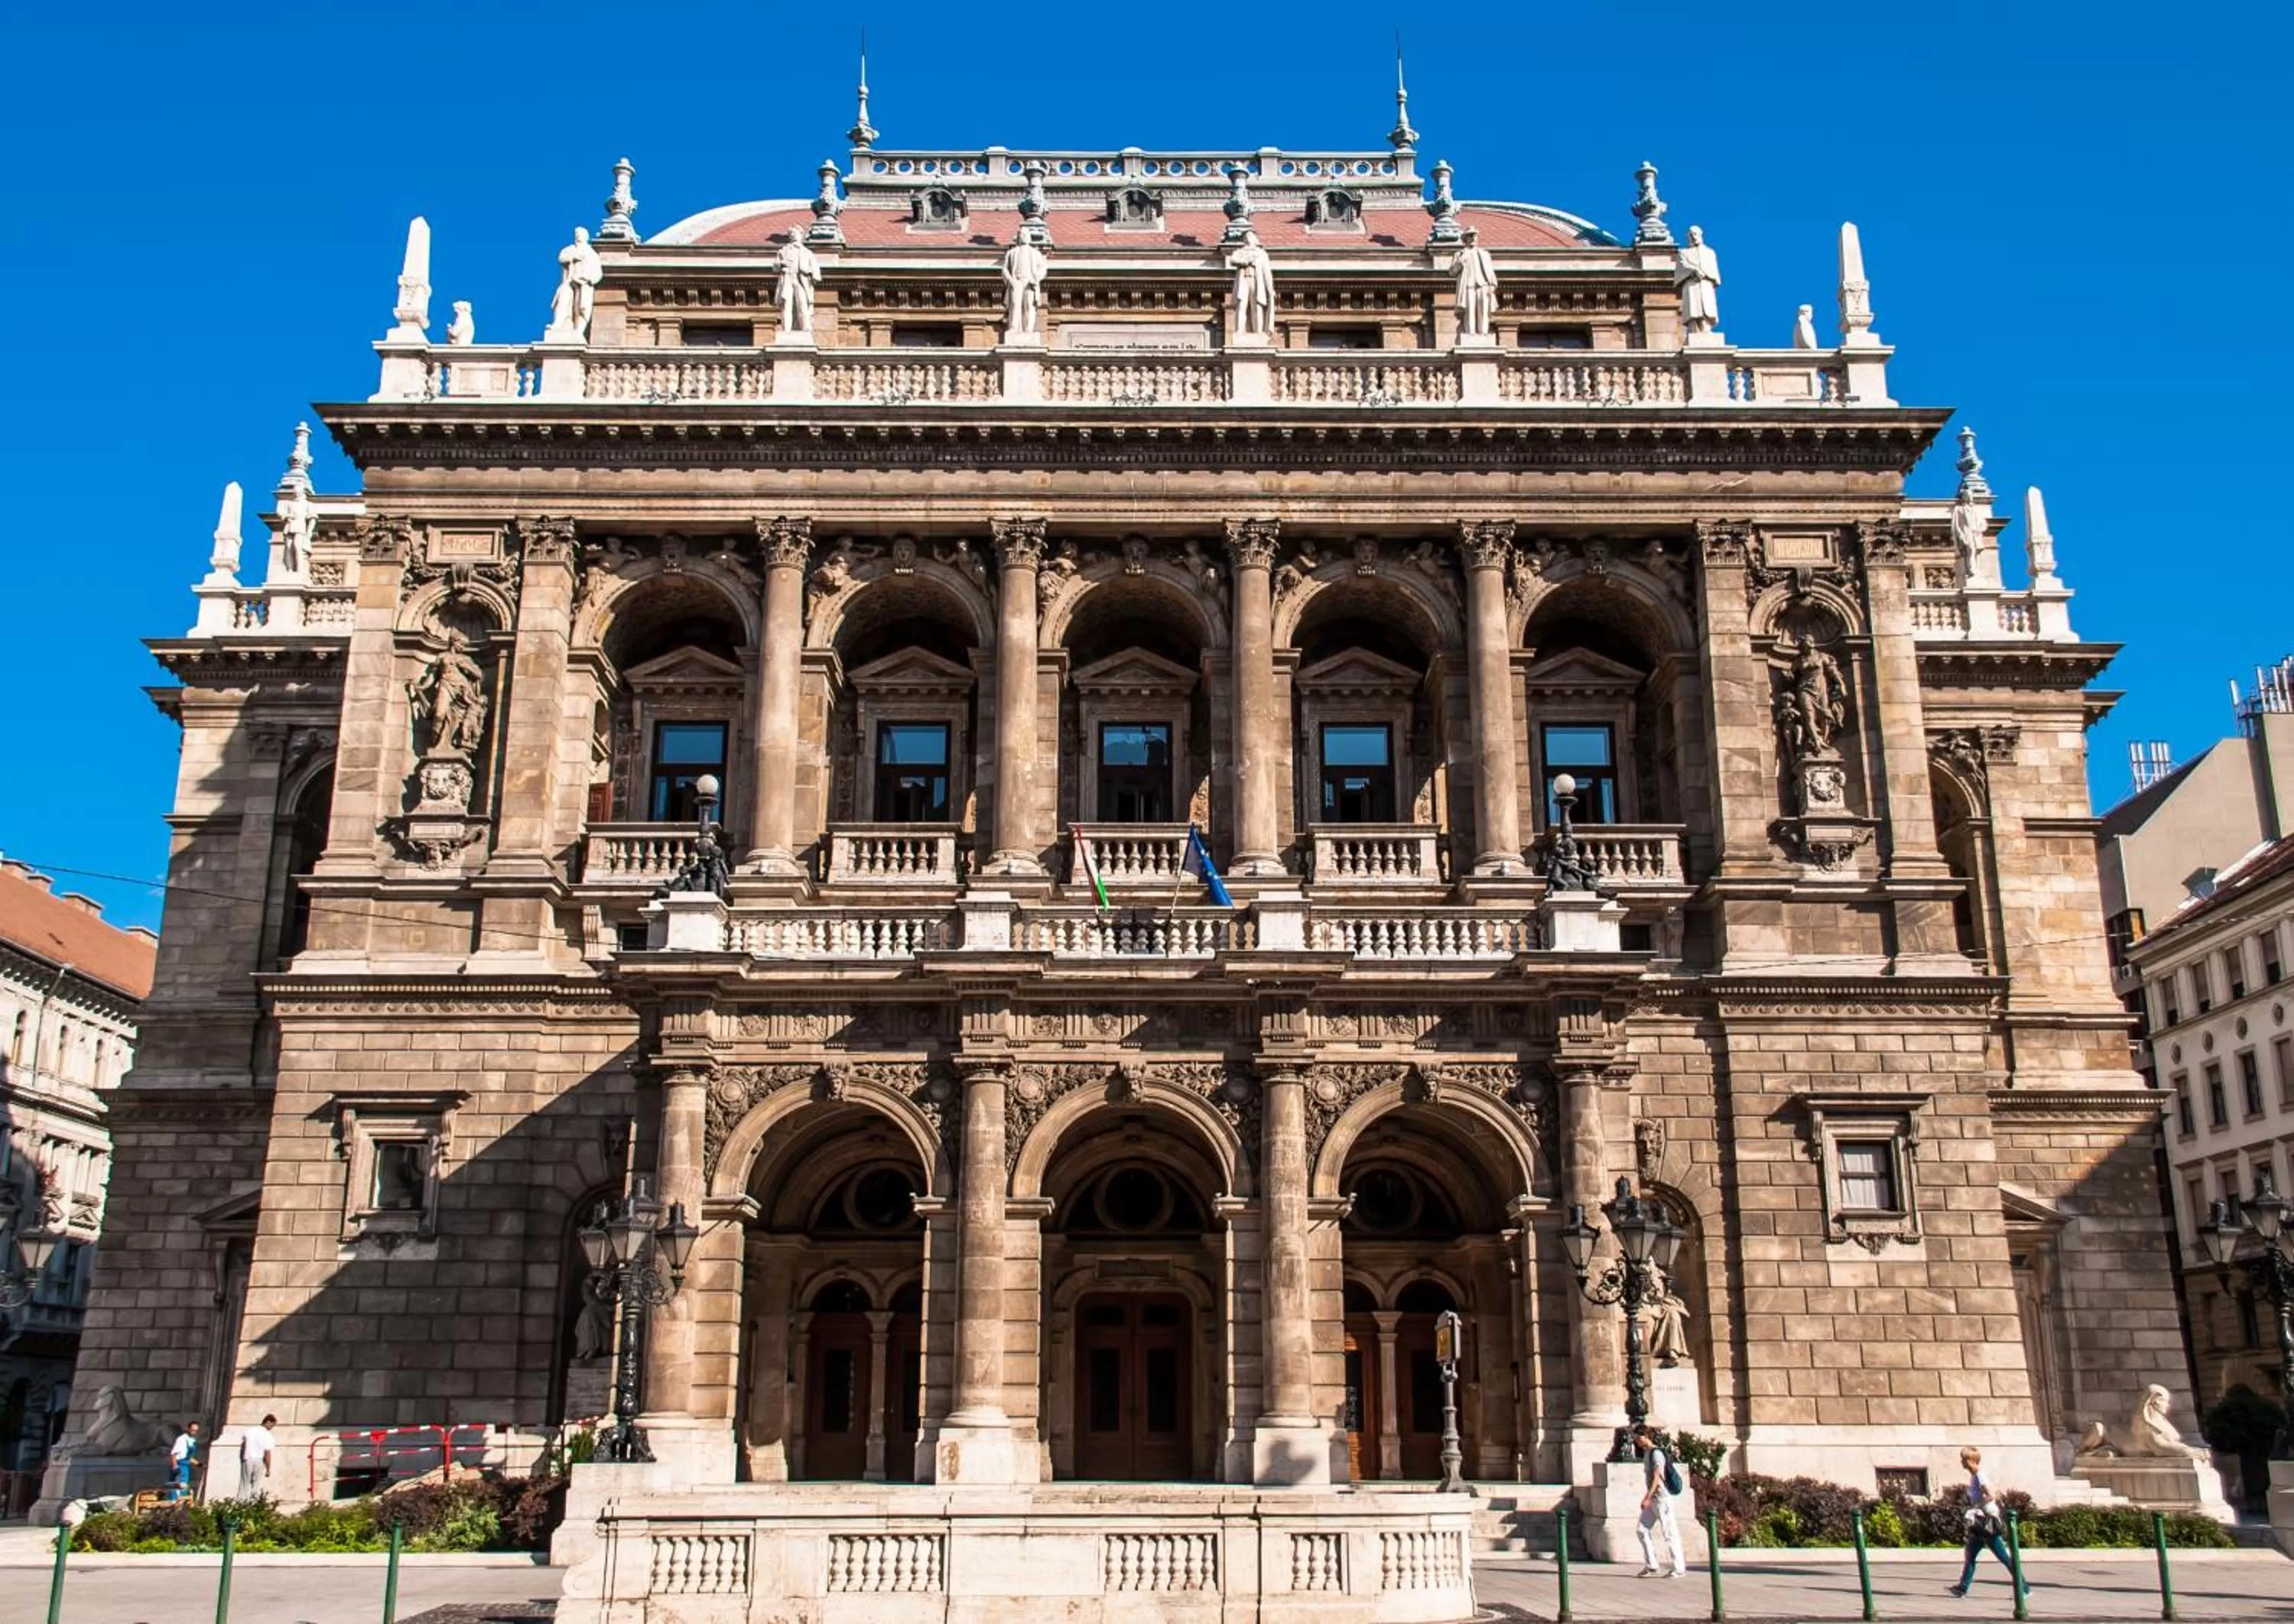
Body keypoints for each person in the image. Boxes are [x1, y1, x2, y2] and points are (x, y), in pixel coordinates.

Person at [1948, 1445, 2027, 1600]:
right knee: (1970, 1554)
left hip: (1986, 1523)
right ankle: (1962, 1588)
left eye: (1963, 1459)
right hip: (1981, 1524)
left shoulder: (1979, 1476)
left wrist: (1976, 1507)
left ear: (1970, 1460)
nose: (1961, 1462)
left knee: (2004, 1557)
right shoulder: (1974, 1476)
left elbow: (1991, 1495)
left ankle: (2024, 1588)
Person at [1633, 1422, 1687, 1577]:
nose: (1637, 1441)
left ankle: (1679, 1567)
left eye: (1639, 1437)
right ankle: (1652, 1564)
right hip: (1654, 1500)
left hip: (1662, 1498)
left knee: (1670, 1533)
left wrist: (1647, 1497)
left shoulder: (1656, 1453)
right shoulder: (1646, 1453)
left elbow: (1657, 1477)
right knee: (1642, 1530)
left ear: (1646, 1436)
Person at [238, 1413, 278, 1499]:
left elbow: (244, 1445)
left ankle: (240, 1504)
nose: (271, 1428)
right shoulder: (268, 1436)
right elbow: (267, 1453)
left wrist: (243, 1457)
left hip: (247, 1458)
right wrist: (268, 1469)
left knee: (244, 1483)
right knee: (256, 1484)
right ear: (268, 1422)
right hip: (259, 1460)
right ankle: (254, 1505)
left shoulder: (249, 1431)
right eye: (272, 1426)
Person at [167, 1420, 200, 1502]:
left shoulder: (192, 1441)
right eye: (193, 1430)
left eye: (196, 1431)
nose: (194, 1432)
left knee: (184, 1487)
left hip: (185, 1466)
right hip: (179, 1465)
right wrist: (175, 1466)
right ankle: (174, 1504)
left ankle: (181, 1506)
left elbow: (189, 1457)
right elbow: (173, 1454)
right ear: (188, 1429)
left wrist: (199, 1464)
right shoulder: (181, 1439)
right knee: (177, 1488)